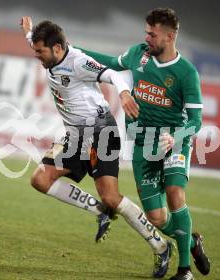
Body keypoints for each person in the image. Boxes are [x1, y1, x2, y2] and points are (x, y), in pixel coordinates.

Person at [20, 17, 173, 278]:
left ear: (57, 48)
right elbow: (39, 41)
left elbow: (113, 74)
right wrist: (29, 33)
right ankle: (99, 211)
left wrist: (124, 93)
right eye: (35, 50)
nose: (37, 56)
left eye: (40, 51)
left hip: (102, 132)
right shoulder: (52, 52)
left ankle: (161, 247)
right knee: (40, 179)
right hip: (77, 137)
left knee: (112, 196)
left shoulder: (78, 62)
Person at [78, 8, 210, 280]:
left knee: (175, 193)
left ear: (170, 36)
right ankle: (191, 242)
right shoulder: (139, 54)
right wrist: (71, 51)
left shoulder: (186, 73)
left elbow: (196, 121)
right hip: (142, 143)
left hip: (173, 141)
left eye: (153, 34)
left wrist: (177, 137)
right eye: (146, 32)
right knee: (157, 219)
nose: (147, 37)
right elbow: (110, 63)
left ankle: (184, 271)